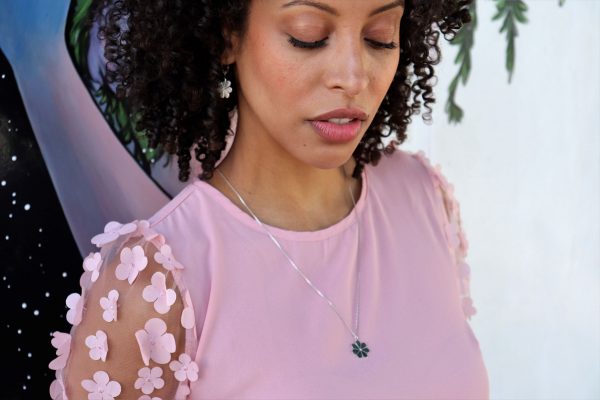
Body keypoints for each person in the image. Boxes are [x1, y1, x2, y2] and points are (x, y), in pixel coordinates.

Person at [48, 0, 489, 398]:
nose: (353, 77)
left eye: (380, 37)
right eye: (309, 35)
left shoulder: (424, 197)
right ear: (227, 35)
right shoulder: (155, 283)